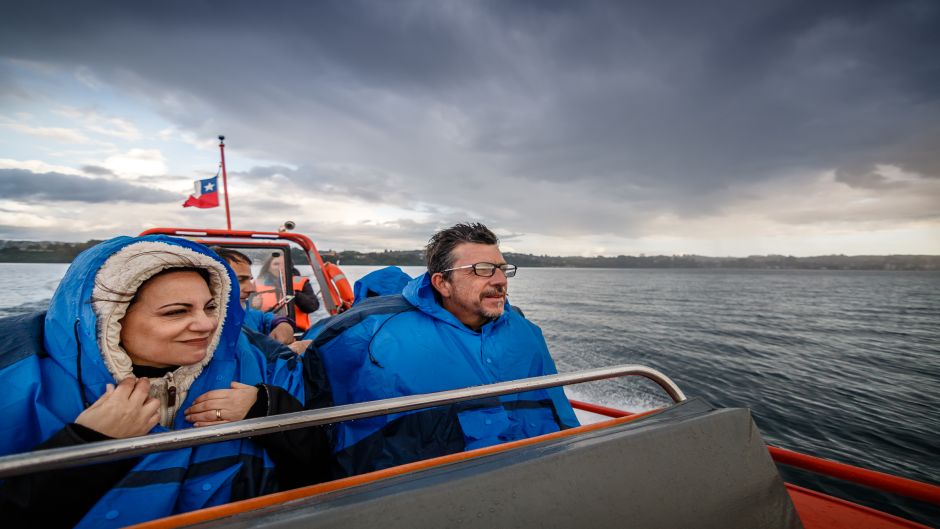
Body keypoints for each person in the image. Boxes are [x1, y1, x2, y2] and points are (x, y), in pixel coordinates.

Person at [0, 235, 307, 528]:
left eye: (211, 307)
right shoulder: (16, 388)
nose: (207, 324)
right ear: (111, 317)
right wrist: (86, 443)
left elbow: (316, 473)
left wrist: (269, 409)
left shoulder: (252, 365)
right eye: (175, 312)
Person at [303, 222, 579, 478]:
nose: (500, 280)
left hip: (535, 478)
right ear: (442, 283)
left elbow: (558, 408)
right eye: (482, 269)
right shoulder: (369, 333)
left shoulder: (525, 333)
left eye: (502, 269)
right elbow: (310, 407)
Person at [211, 247, 296, 345]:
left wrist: (282, 323)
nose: (252, 289)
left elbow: (263, 317)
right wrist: (292, 351)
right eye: (240, 280)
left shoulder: (243, 313)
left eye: (249, 280)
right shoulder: (211, 331)